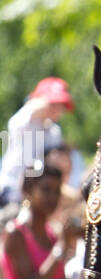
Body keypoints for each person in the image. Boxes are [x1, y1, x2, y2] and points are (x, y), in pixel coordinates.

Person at [0, 77, 75, 208]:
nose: (57, 109)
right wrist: (42, 98)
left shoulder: (54, 132)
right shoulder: (25, 122)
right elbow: (31, 109)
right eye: (53, 104)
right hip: (11, 190)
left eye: (60, 105)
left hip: (35, 196)